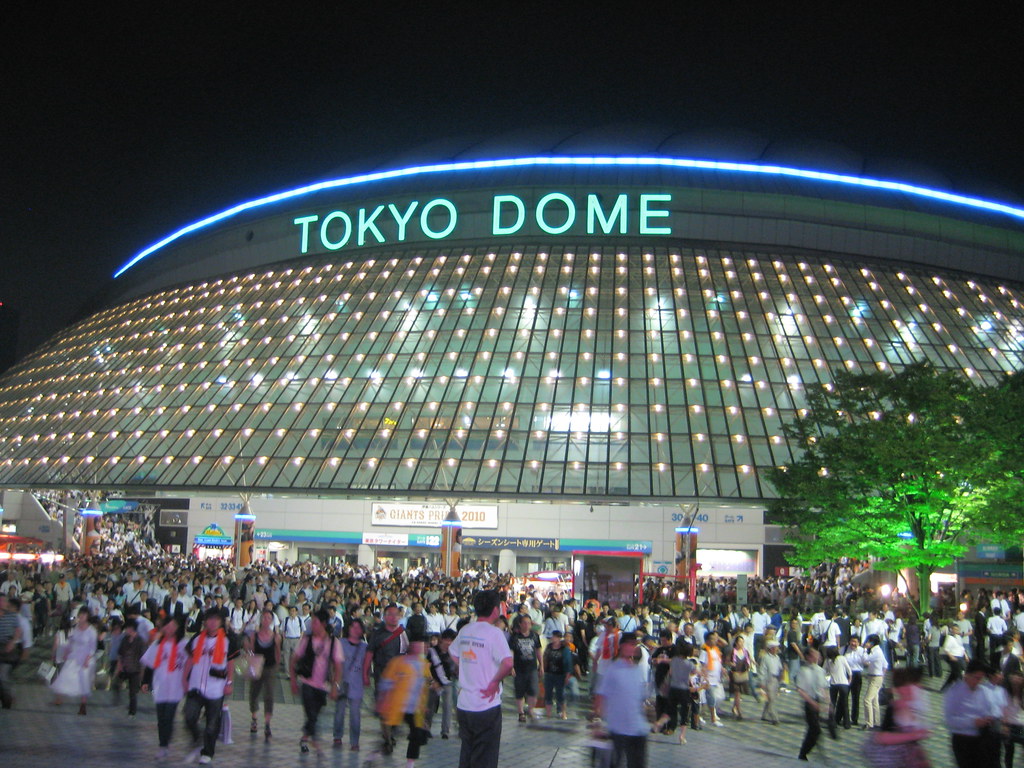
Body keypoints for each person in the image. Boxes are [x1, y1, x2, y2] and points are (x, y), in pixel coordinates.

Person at [451, 588, 514, 768]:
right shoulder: (494, 633)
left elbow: (453, 653)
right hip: (486, 706)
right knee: (485, 758)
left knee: (467, 754)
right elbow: (508, 663)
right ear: (495, 609)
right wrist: (494, 681)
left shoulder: (466, 630)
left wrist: (465, 668)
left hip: (464, 705)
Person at [375, 624, 433, 768]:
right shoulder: (398, 662)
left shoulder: (424, 664)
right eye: (419, 645)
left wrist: (424, 706)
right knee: (389, 738)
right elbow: (386, 683)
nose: (421, 648)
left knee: (416, 734)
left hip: (413, 708)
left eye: (423, 646)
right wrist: (382, 702)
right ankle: (373, 755)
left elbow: (426, 685)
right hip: (396, 705)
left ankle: (410, 764)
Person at [183, 608, 236, 765]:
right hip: (196, 685)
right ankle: (197, 737)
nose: (212, 622)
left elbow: (231, 663)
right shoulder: (197, 638)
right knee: (189, 715)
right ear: (205, 621)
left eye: (216, 619)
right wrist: (184, 679)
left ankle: (207, 751)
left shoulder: (227, 641)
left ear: (220, 622)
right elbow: (190, 659)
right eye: (209, 619)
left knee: (212, 723)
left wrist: (229, 682)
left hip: (216, 688)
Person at [290, 608, 343, 755]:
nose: (312, 625)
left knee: (314, 715)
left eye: (315, 622)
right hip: (307, 682)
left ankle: (305, 737)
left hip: (323, 685)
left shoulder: (333, 643)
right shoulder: (306, 640)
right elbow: (293, 659)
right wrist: (293, 680)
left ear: (324, 624)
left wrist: (335, 686)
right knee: (311, 714)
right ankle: (315, 741)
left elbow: (338, 665)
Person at [594, 632, 649, 768]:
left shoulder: (637, 670)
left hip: (638, 729)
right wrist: (598, 722)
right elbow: (600, 696)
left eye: (635, 644)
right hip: (618, 728)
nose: (633, 647)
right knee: (614, 764)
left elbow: (640, 699)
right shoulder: (613, 669)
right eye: (631, 644)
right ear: (622, 646)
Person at [141, 616, 189, 760]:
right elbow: (149, 665)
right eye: (167, 626)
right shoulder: (156, 644)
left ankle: (164, 745)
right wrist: (145, 681)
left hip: (176, 686)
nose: (169, 629)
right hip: (160, 686)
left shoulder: (184, 645)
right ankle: (164, 743)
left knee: (169, 715)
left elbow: (191, 664)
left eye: (173, 626)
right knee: (161, 717)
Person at [365, 604, 409, 753]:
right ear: (384, 617)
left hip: (398, 679)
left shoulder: (403, 633)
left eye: (396, 614)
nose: (393, 617)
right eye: (390, 614)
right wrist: (365, 674)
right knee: (384, 710)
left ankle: (391, 732)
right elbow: (369, 654)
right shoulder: (378, 634)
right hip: (381, 677)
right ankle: (388, 738)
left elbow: (408, 655)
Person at [944, 659, 1002, 768]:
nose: (979, 682)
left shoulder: (983, 691)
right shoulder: (954, 691)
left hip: (982, 738)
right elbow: (949, 720)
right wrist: (972, 722)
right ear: (967, 675)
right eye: (976, 678)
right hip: (963, 740)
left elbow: (993, 708)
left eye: (981, 679)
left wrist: (990, 717)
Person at [50, 605, 97, 715]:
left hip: (86, 658)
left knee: (84, 681)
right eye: (80, 614)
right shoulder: (76, 628)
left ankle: (83, 704)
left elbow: (92, 647)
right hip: (75, 656)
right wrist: (67, 652)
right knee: (66, 676)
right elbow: (72, 641)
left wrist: (87, 659)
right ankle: (60, 697)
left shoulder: (91, 631)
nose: (81, 616)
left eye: (84, 614)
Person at [245, 607, 280, 742]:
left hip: (270, 667)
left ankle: (267, 723)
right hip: (257, 666)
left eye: (268, 618)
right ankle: (254, 718)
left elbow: (277, 653)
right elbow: (252, 650)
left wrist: (276, 667)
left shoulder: (276, 637)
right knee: (254, 693)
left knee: (269, 695)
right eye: (264, 618)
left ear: (272, 621)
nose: (265, 620)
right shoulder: (254, 635)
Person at [796, 647, 837, 761]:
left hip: (819, 701)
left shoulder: (820, 670)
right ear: (808, 657)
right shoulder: (803, 671)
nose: (817, 657)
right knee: (814, 728)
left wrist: (828, 702)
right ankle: (803, 752)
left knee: (815, 729)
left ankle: (808, 750)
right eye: (814, 655)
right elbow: (800, 690)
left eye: (818, 655)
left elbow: (824, 687)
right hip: (809, 702)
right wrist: (812, 703)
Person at [334, 617, 368, 751]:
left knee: (355, 714)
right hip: (342, 681)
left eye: (358, 627)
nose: (355, 630)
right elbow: (334, 662)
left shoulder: (365, 647)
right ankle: (337, 735)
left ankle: (355, 741)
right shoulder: (340, 643)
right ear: (348, 628)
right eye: (352, 627)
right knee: (339, 711)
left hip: (357, 684)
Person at [509, 613, 543, 722]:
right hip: (519, 668)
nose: (527, 625)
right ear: (520, 624)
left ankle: (531, 709)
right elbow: (511, 652)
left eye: (529, 623)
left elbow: (538, 650)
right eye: (525, 623)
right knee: (519, 691)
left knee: (533, 691)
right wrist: (511, 666)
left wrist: (541, 664)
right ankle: (521, 712)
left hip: (532, 668)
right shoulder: (515, 637)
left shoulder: (534, 636)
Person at [425, 628, 458, 738]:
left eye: (451, 640)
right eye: (447, 640)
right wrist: (432, 681)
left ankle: (445, 731)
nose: (448, 643)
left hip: (447, 683)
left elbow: (455, 668)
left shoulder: (452, 652)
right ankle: (426, 729)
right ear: (441, 640)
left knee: (448, 706)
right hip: (433, 684)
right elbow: (426, 668)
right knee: (430, 707)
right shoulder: (432, 651)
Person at [115, 617, 146, 718]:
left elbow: (143, 658)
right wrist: (119, 666)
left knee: (132, 692)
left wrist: (142, 673)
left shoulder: (140, 641)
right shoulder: (125, 639)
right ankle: (118, 701)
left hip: (135, 669)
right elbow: (120, 654)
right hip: (125, 668)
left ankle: (132, 712)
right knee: (116, 684)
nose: (126, 630)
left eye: (127, 628)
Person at [543, 629, 572, 719]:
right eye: (552, 636)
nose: (553, 638)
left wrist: (567, 675)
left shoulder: (564, 649)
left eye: (555, 637)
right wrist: (542, 669)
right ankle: (548, 714)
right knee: (548, 694)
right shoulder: (549, 647)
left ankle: (563, 712)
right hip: (549, 674)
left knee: (560, 694)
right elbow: (545, 658)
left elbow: (568, 663)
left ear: (559, 638)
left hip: (560, 675)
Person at [862, 633, 889, 729]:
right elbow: (886, 664)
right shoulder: (878, 651)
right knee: (874, 700)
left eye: (868, 641)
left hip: (875, 678)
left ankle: (869, 723)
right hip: (875, 677)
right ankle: (876, 722)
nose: (867, 643)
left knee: (867, 700)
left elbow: (865, 659)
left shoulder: (876, 652)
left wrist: (865, 649)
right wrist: (882, 674)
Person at [823, 645, 852, 729]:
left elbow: (824, 671)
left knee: (832, 704)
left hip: (833, 684)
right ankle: (847, 723)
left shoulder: (827, 661)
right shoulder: (842, 658)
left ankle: (832, 722)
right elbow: (849, 670)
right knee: (845, 704)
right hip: (843, 683)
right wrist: (849, 680)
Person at [726, 633, 753, 720]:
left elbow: (748, 661)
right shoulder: (732, 652)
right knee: (737, 693)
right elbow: (726, 661)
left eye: (742, 642)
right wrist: (731, 663)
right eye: (740, 642)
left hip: (743, 674)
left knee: (739, 694)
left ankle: (734, 707)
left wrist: (749, 666)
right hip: (735, 674)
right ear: (736, 643)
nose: (741, 644)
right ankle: (739, 711)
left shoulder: (745, 652)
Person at [759, 639, 783, 724]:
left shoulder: (777, 658)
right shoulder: (766, 657)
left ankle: (764, 715)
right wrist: (762, 683)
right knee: (771, 699)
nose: (777, 649)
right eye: (775, 648)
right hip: (769, 680)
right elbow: (762, 670)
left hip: (776, 680)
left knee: (771, 698)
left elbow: (780, 668)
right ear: (771, 648)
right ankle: (775, 718)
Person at [942, 622, 969, 692]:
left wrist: (965, 655)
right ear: (952, 630)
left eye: (957, 630)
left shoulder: (959, 637)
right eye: (955, 629)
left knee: (954, 675)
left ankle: (944, 688)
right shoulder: (950, 637)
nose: (956, 631)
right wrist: (951, 656)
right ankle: (962, 690)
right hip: (954, 657)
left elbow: (961, 647)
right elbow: (945, 648)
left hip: (960, 657)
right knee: (958, 674)